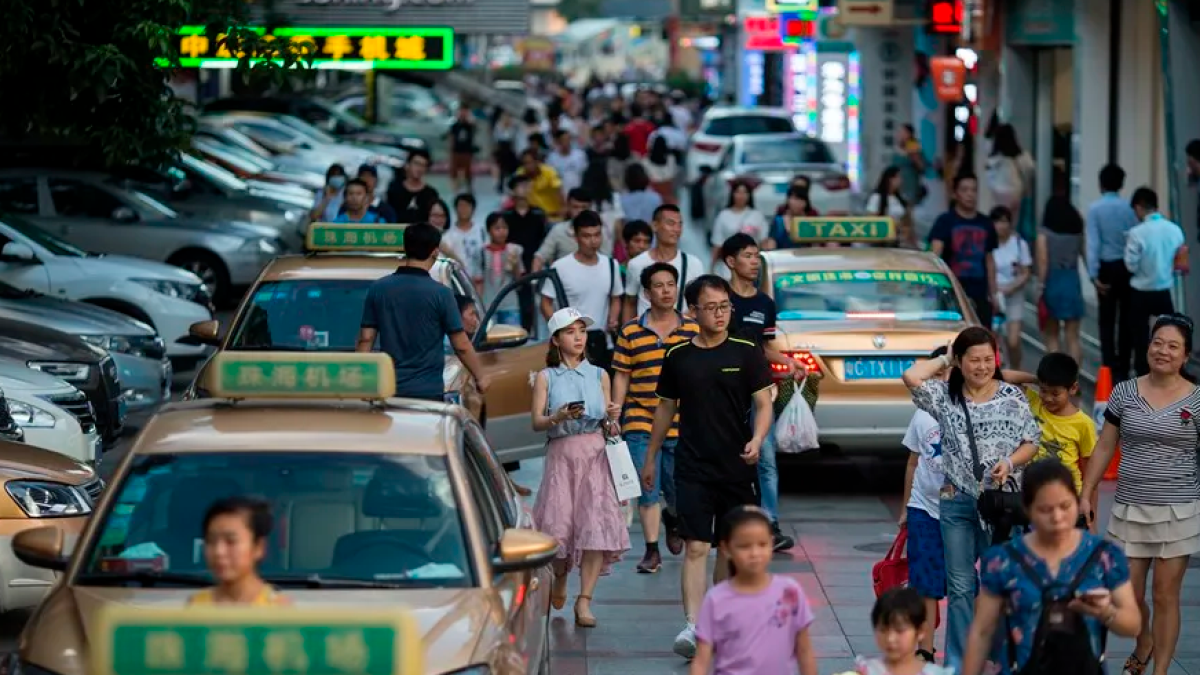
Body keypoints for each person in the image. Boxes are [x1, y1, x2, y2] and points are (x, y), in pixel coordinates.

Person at [640, 275, 775, 660]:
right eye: (712, 307)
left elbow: (763, 403)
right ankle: (693, 624)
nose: (720, 314)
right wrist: (651, 457)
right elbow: (665, 408)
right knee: (696, 545)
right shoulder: (678, 356)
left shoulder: (746, 350)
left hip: (736, 465)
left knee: (730, 550)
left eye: (725, 307)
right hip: (692, 465)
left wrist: (758, 439)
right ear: (693, 312)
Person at [901, 326, 1041, 671]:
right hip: (956, 504)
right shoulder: (945, 396)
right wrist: (945, 357)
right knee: (961, 587)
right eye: (973, 360)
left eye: (987, 359)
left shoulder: (1012, 396)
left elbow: (1032, 441)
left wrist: (1009, 463)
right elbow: (910, 375)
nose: (981, 367)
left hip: (1000, 507)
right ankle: (961, 664)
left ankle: (1007, 659)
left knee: (1002, 584)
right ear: (960, 362)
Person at [1080, 314, 1200, 675]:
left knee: (1165, 595)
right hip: (1130, 508)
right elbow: (1104, 447)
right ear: (1148, 346)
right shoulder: (1124, 392)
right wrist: (1087, 491)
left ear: (1185, 356)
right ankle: (1143, 639)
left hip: (1178, 510)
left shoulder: (1196, 400)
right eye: (1157, 342)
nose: (1163, 351)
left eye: (1172, 346)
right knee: (1126, 594)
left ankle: (1159, 669)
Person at [962, 460, 1141, 675]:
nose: (1057, 517)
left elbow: (1132, 625)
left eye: (1065, 506)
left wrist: (1106, 612)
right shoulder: (1003, 561)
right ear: (1027, 509)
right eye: (1045, 509)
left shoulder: (1104, 557)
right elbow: (982, 631)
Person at [531, 307, 629, 628]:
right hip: (562, 455)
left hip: (595, 454)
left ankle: (584, 600)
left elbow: (610, 426)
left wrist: (612, 418)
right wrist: (558, 416)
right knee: (559, 525)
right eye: (571, 332)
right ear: (556, 339)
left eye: (582, 331)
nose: (578, 337)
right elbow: (537, 423)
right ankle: (559, 576)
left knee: (595, 527)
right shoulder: (546, 377)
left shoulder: (600, 374)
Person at [612, 262, 699, 573]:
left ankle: (673, 517)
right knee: (646, 486)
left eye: (671, 285)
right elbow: (622, 375)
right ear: (647, 293)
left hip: (682, 421)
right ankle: (651, 551)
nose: (666, 291)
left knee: (676, 488)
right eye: (659, 286)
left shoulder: (693, 329)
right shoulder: (631, 331)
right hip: (639, 419)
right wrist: (615, 413)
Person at [723, 233, 808, 550]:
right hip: (724, 393)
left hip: (759, 390)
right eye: (748, 256)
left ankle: (770, 524)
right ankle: (732, 522)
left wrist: (787, 361)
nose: (754, 262)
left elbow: (765, 346)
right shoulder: (718, 298)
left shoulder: (764, 303)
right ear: (731, 261)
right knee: (730, 458)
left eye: (757, 256)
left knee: (766, 458)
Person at [356, 222, 489, 400]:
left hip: (387, 389)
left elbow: (366, 339)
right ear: (435, 251)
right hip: (427, 393)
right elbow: (461, 345)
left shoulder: (378, 289)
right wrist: (481, 376)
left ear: (405, 248)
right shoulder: (442, 294)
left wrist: (359, 381)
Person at [689, 506, 818, 675]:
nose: (754, 553)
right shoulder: (716, 599)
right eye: (744, 546)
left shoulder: (789, 592)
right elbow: (701, 660)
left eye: (762, 544)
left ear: (772, 544)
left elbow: (804, 651)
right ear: (726, 549)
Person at [898, 346, 949, 664]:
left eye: (950, 371)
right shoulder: (921, 414)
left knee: (963, 584)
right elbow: (913, 463)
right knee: (926, 582)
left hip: (962, 511)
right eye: (938, 372)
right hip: (924, 508)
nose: (944, 378)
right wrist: (906, 508)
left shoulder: (971, 405)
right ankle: (926, 649)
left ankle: (964, 643)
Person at [1003, 353, 1098, 525]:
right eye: (1043, 390)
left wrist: (1091, 517)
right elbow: (1001, 376)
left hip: (1066, 501)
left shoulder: (1084, 424)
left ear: (1073, 388)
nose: (1047, 398)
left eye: (1055, 393)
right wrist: (1036, 379)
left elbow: (1090, 472)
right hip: (1031, 497)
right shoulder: (1032, 401)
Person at [540, 210, 623, 370]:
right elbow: (545, 303)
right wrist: (560, 330)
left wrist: (613, 319)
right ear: (576, 237)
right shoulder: (561, 267)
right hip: (570, 345)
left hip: (602, 342)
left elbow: (615, 297)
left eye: (597, 235)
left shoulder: (611, 265)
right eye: (586, 236)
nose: (593, 241)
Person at [1124, 188, 1186, 376]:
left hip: (1140, 291)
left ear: (1139, 207)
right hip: (1164, 290)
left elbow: (1130, 265)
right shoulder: (1175, 230)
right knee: (1169, 334)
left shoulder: (1136, 233)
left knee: (1140, 336)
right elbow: (1180, 263)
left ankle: (1143, 374)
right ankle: (1170, 370)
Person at [1085, 164, 1139, 380]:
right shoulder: (1129, 208)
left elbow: (1093, 243)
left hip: (1106, 268)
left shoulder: (1095, 209)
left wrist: (1093, 274)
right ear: (1122, 184)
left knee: (1106, 320)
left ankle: (1108, 367)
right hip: (1126, 268)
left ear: (1100, 183)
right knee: (1126, 319)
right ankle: (1125, 367)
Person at [188, 497, 290, 606]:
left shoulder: (277, 607)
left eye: (231, 541)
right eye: (211, 541)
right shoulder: (196, 605)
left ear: (258, 547)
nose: (219, 552)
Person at [929, 174, 999, 329]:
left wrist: (994, 293)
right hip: (951, 291)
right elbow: (935, 257)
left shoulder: (986, 224)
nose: (970, 194)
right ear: (955, 194)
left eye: (974, 190)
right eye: (965, 190)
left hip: (980, 291)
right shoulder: (945, 222)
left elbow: (989, 260)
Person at [622, 205, 704, 322]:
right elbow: (630, 303)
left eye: (680, 224)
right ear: (655, 225)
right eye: (671, 223)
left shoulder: (693, 263)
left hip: (683, 335)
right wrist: (627, 335)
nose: (676, 229)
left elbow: (700, 303)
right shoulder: (637, 264)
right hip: (646, 335)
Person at [1036, 183, 1086, 366]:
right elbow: (1085, 255)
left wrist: (1040, 287)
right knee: (1073, 337)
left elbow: (1043, 262)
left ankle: (1056, 377)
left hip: (1053, 282)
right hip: (1072, 281)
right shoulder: (1077, 232)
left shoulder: (1044, 234)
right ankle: (1074, 379)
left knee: (1052, 335)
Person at [850, 587, 953, 675]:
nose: (890, 638)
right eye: (883, 630)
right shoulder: (867, 671)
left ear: (921, 630)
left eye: (900, 631)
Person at [501, 175, 549, 330]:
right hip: (512, 264)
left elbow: (545, 240)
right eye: (519, 186)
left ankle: (530, 335)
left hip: (533, 262)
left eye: (526, 185)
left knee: (532, 303)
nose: (523, 189)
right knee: (514, 301)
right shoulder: (506, 215)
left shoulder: (538, 214)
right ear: (513, 190)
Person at [991, 206, 1032, 368]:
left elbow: (1026, 272)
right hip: (994, 295)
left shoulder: (1019, 244)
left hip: (1014, 295)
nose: (1001, 226)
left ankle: (1016, 369)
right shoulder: (989, 243)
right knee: (994, 340)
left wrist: (1011, 287)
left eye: (1004, 221)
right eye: (997, 222)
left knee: (1013, 340)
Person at [984, 123, 1036, 239]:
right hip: (1015, 193)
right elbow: (1030, 170)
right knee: (1013, 223)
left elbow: (988, 175)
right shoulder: (1022, 156)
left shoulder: (994, 157)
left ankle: (999, 242)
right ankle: (1012, 244)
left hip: (997, 194)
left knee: (997, 221)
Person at [709, 180, 767, 277]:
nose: (741, 196)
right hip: (729, 267)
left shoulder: (757, 215)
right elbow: (717, 244)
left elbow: (763, 241)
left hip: (751, 265)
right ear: (732, 194)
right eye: (738, 192)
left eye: (745, 192)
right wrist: (712, 267)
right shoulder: (723, 215)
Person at [532, 188, 593, 272]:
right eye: (575, 207)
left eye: (584, 207)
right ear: (568, 207)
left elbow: (606, 261)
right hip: (563, 281)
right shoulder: (558, 230)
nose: (580, 211)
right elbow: (540, 257)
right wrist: (534, 283)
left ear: (590, 208)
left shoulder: (600, 231)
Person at [480, 211, 524, 324]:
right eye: (497, 228)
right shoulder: (481, 252)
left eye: (505, 228)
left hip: (510, 304)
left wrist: (515, 265)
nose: (502, 232)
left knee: (513, 338)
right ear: (489, 230)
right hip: (488, 305)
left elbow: (519, 281)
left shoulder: (514, 250)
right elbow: (478, 281)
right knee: (490, 340)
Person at [442, 194, 486, 287]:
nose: (464, 209)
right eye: (461, 206)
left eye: (467, 206)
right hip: (456, 281)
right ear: (455, 208)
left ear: (473, 209)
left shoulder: (481, 230)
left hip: (478, 281)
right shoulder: (448, 234)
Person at [866, 166, 915, 249]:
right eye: (898, 177)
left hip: (899, 239)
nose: (900, 180)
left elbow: (906, 220)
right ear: (890, 179)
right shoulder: (877, 198)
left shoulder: (899, 199)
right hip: (883, 241)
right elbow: (872, 219)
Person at [387, 149, 440, 224]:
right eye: (416, 164)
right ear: (407, 165)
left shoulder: (431, 193)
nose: (419, 169)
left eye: (423, 165)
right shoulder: (394, 190)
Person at [763, 186, 820, 251]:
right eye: (795, 198)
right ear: (788, 200)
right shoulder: (778, 221)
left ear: (806, 202)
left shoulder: (811, 222)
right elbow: (771, 244)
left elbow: (816, 246)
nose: (798, 203)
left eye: (801, 199)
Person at [517, 148, 565, 219]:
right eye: (525, 163)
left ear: (537, 162)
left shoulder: (550, 172)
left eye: (530, 162)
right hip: (532, 218)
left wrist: (562, 211)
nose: (527, 166)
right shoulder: (520, 174)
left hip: (553, 216)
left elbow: (559, 193)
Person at [447, 105, 477, 194]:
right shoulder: (455, 125)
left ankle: (469, 189)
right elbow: (451, 138)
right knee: (454, 172)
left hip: (467, 151)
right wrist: (450, 150)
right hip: (456, 151)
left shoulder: (469, 125)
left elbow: (474, 130)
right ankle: (456, 190)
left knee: (468, 172)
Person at [893, 124, 926, 205]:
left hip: (910, 184)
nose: (899, 134)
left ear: (908, 134)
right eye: (899, 132)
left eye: (902, 132)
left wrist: (912, 155)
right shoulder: (898, 147)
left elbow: (921, 166)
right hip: (899, 184)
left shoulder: (913, 146)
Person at [546, 129, 588, 193]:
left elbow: (585, 174)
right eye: (564, 140)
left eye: (568, 139)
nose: (567, 142)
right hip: (561, 193)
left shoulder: (580, 155)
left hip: (580, 191)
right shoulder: (551, 158)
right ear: (558, 142)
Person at [492, 109, 520, 194]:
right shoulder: (498, 126)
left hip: (510, 150)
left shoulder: (513, 127)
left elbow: (513, 139)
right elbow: (497, 139)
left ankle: (513, 185)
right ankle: (500, 186)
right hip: (502, 150)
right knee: (502, 170)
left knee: (513, 169)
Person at [646, 136, 678, 205]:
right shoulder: (671, 158)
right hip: (668, 192)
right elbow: (672, 175)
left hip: (652, 193)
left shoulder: (646, 160)